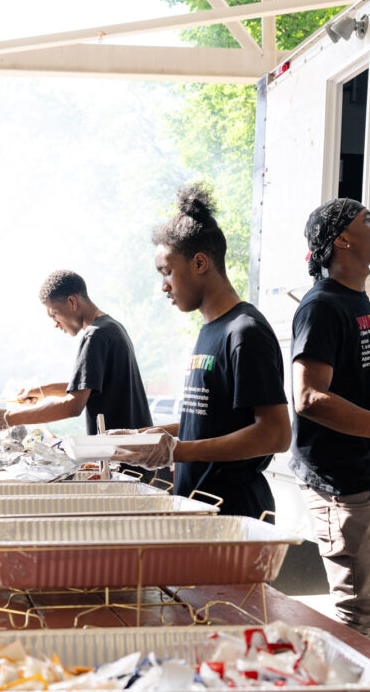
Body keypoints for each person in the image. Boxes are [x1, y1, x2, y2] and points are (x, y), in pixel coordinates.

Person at [113, 184, 290, 518]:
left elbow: (276, 434)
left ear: (199, 262)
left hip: (234, 514)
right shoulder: (209, 330)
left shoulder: (245, 331)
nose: (163, 286)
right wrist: (149, 437)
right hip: (197, 506)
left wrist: (177, 451)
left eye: (166, 271)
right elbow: (208, 423)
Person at [291, 198, 370, 644]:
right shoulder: (322, 306)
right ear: (343, 240)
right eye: (367, 220)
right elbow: (310, 398)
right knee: (357, 613)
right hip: (341, 484)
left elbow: (356, 389)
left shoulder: (357, 300)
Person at [0, 271, 152, 475]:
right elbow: (91, 386)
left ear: (72, 302)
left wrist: (8, 417)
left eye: (54, 314)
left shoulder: (95, 336)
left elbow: (73, 406)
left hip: (123, 459)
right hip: (136, 454)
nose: (55, 323)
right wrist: (43, 390)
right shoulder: (112, 327)